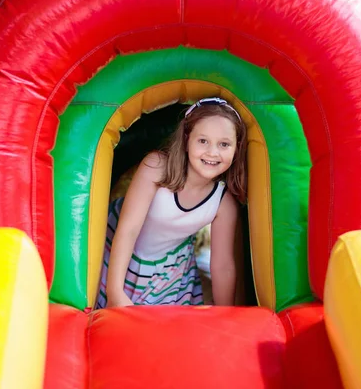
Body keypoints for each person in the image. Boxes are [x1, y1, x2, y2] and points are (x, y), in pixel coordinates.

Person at [95, 97, 247, 308]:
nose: (213, 152)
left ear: (236, 148)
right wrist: (114, 292)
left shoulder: (223, 202)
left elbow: (222, 266)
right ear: (186, 139)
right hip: (117, 248)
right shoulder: (156, 167)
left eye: (224, 144)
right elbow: (128, 230)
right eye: (203, 141)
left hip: (169, 267)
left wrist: (225, 314)